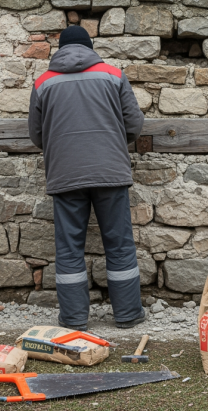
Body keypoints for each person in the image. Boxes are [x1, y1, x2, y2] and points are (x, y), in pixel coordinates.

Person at [29, 25, 145, 331]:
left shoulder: (43, 82)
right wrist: (113, 140)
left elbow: (37, 134)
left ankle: (74, 318)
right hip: (110, 171)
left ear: (60, 51)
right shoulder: (113, 75)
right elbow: (134, 124)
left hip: (65, 173)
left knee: (69, 247)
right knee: (119, 244)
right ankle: (128, 314)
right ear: (90, 48)